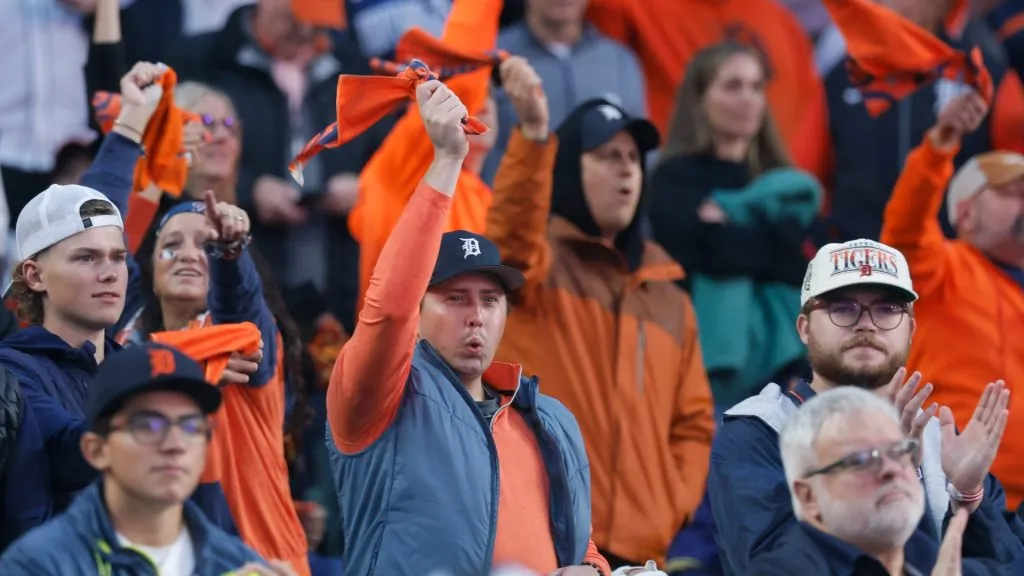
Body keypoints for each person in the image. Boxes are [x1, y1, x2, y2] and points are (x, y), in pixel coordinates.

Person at [326, 78, 611, 576]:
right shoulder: (378, 399)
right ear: (418, 307)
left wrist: (593, 570)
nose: (476, 314)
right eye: (454, 298)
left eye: (491, 300)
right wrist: (447, 160)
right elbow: (388, 308)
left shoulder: (549, 418)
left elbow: (580, 546)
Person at [485, 57, 714, 567]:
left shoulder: (669, 295)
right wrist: (534, 135)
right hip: (546, 537)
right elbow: (512, 234)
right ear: (568, 169)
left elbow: (694, 424)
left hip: (643, 547)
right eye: (607, 156)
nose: (626, 169)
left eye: (633, 158)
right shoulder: (535, 265)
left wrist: (669, 504)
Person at [708, 237, 1024, 575]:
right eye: (842, 307)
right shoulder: (758, 431)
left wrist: (967, 497)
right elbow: (769, 566)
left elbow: (1008, 565)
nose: (866, 323)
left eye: (888, 309)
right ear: (804, 328)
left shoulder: (937, 437)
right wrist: (869, 471)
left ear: (911, 329)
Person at [0, 343, 286, 575]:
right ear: (96, 449)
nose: (175, 445)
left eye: (190, 426)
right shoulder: (38, 564)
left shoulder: (237, 562)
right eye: (147, 425)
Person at [651, 42, 817, 411]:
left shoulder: (782, 181)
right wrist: (766, 239)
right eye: (732, 86)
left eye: (756, 87)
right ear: (700, 99)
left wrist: (730, 223)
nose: (748, 98)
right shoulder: (673, 178)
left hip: (790, 366)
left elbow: (799, 266)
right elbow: (694, 250)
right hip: (696, 365)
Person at [880, 89, 1024, 509]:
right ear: (965, 212)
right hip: (952, 494)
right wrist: (938, 148)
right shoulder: (936, 268)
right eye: (1012, 192)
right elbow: (905, 227)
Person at [747, 387, 974, 574]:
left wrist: (968, 492)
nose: (890, 469)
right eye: (860, 460)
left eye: (898, 451)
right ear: (810, 497)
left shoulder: (930, 559)